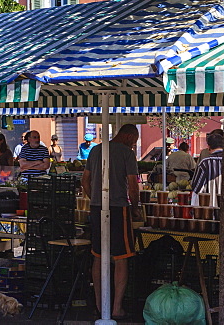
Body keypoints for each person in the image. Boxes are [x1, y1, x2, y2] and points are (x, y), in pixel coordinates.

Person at [81, 124, 140, 319]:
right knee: (121, 257)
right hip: (118, 208)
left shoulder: (96, 150)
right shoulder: (127, 154)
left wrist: (95, 198)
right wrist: (135, 207)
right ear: (129, 136)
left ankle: (99, 304)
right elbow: (133, 185)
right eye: (134, 141)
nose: (134, 145)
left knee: (98, 255)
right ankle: (116, 308)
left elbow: (85, 181)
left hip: (97, 208)